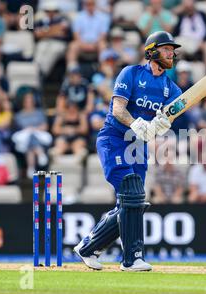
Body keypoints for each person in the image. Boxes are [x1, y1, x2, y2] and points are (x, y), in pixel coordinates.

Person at [73, 31, 182, 271]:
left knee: (132, 201)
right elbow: (118, 109)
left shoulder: (172, 89)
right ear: (152, 51)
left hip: (138, 146)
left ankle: (88, 247)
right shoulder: (130, 73)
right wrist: (135, 123)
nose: (171, 53)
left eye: (173, 50)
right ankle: (132, 258)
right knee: (131, 193)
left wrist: (161, 125)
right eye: (166, 49)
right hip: (114, 139)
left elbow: (166, 119)